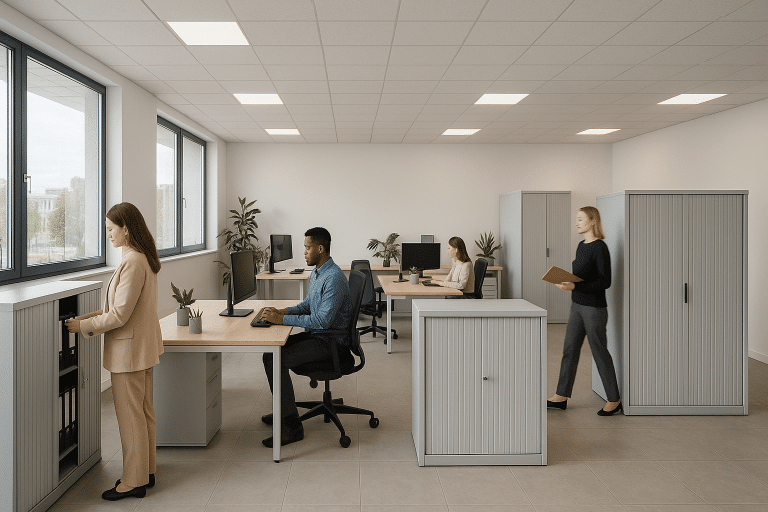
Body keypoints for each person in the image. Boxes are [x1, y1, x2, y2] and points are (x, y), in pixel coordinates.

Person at [65, 202, 163, 501]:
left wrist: (84, 328)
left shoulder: (132, 261)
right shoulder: (142, 258)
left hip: (129, 353)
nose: (108, 235)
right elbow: (118, 308)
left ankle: (133, 481)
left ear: (126, 229)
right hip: (140, 349)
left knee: (131, 417)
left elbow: (118, 315)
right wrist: (84, 320)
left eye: (111, 229)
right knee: (143, 413)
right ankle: (146, 471)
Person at [260, 227, 352, 447]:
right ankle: (284, 411)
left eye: (307, 248)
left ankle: (292, 427)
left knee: (276, 359)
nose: (304, 252)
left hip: (330, 343)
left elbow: (321, 321)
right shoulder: (318, 272)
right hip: (319, 336)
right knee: (270, 353)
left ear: (320, 248)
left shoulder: (334, 278)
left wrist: (281, 321)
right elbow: (308, 305)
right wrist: (284, 312)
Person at [547, 206, 622, 416]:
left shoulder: (600, 248)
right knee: (569, 349)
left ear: (592, 221)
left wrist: (575, 286)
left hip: (594, 309)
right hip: (577, 306)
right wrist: (566, 282)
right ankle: (561, 395)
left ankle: (614, 399)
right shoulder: (581, 246)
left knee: (599, 352)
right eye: (576, 219)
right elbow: (580, 276)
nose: (577, 222)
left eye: (580, 219)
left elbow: (605, 281)